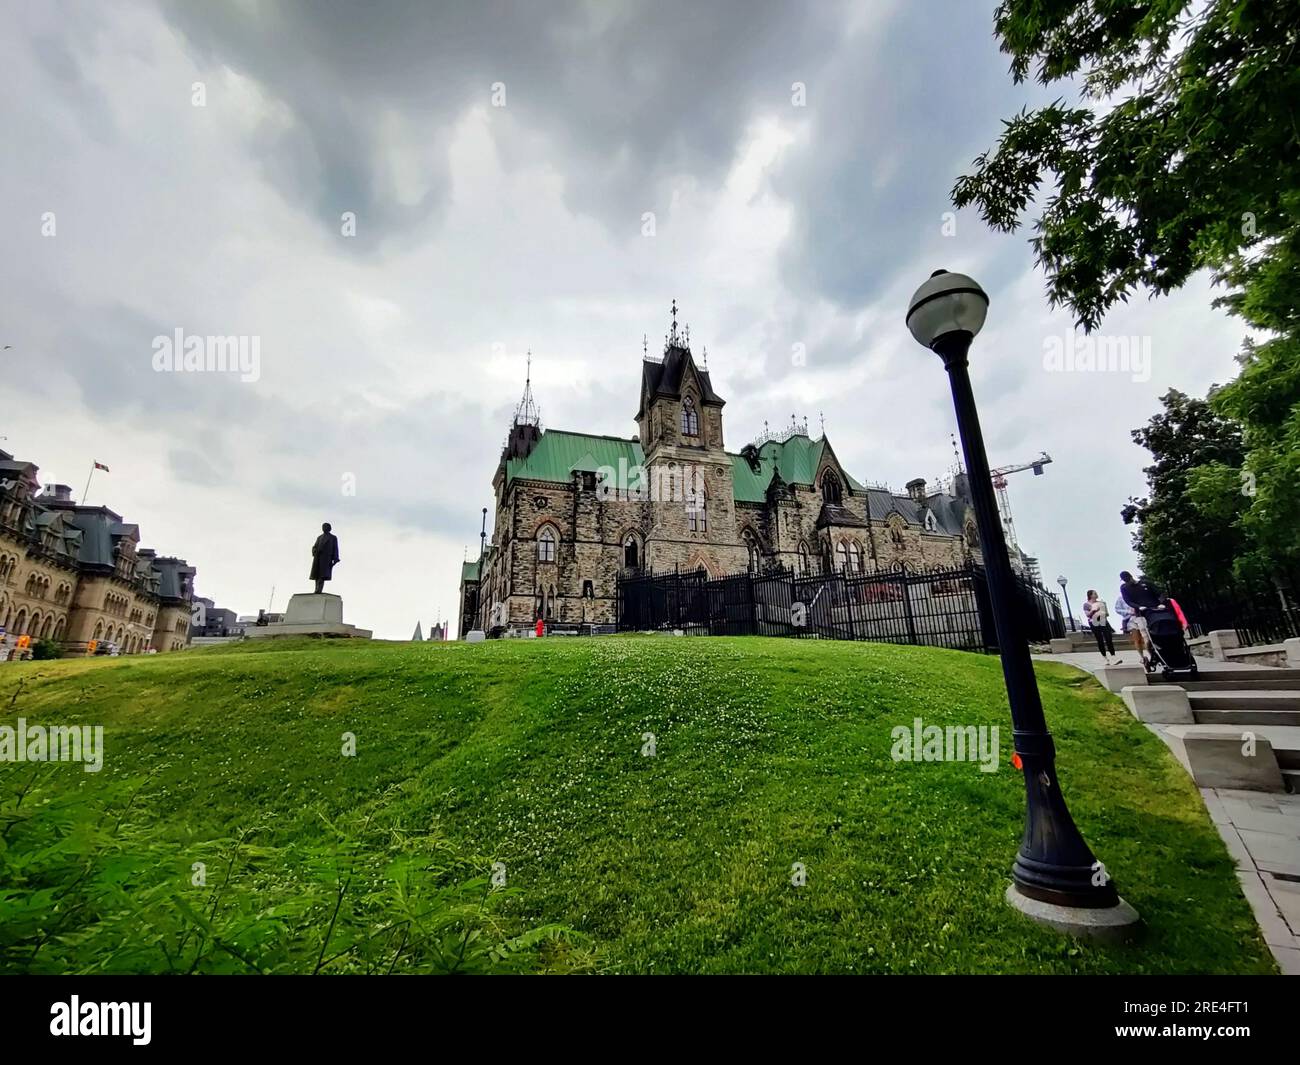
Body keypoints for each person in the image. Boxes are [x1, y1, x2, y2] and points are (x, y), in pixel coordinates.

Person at [1082, 589, 1122, 664]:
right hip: (1094, 622)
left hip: (1103, 621)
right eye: (1095, 593)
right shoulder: (1086, 604)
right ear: (1090, 595)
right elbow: (1087, 615)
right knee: (1100, 640)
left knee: (1108, 638)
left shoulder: (1101, 603)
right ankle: (1104, 658)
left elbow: (1107, 614)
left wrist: (1104, 609)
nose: (1096, 594)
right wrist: (1093, 610)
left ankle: (1113, 656)